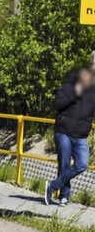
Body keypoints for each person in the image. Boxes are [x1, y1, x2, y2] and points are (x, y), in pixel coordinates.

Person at [45, 68, 95, 206]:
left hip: (80, 136)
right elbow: (57, 104)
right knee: (64, 164)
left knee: (82, 164)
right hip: (63, 132)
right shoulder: (67, 88)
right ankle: (64, 197)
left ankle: (52, 186)